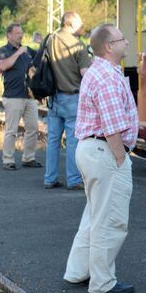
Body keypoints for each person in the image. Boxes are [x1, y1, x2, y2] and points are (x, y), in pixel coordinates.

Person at [63, 24, 138, 293]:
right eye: (121, 39)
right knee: (111, 219)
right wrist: (120, 157)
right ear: (109, 46)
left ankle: (78, 271)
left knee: (95, 214)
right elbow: (112, 126)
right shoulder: (106, 77)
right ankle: (102, 281)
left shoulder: (99, 72)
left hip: (92, 149)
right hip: (105, 150)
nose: (126, 42)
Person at [44, 11, 93, 189]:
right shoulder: (78, 46)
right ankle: (73, 180)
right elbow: (85, 74)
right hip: (72, 97)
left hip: (54, 97)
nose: (83, 28)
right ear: (71, 24)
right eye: (80, 24)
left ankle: (49, 178)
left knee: (53, 140)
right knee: (73, 141)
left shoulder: (51, 40)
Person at [0, 22, 42, 171]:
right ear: (9, 35)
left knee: (33, 128)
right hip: (13, 96)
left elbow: (42, 58)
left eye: (21, 33)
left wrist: (41, 44)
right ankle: (8, 160)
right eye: (17, 33)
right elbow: (3, 66)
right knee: (12, 130)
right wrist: (18, 53)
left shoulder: (28, 50)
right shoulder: (3, 51)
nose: (21, 35)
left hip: (29, 95)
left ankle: (28, 158)